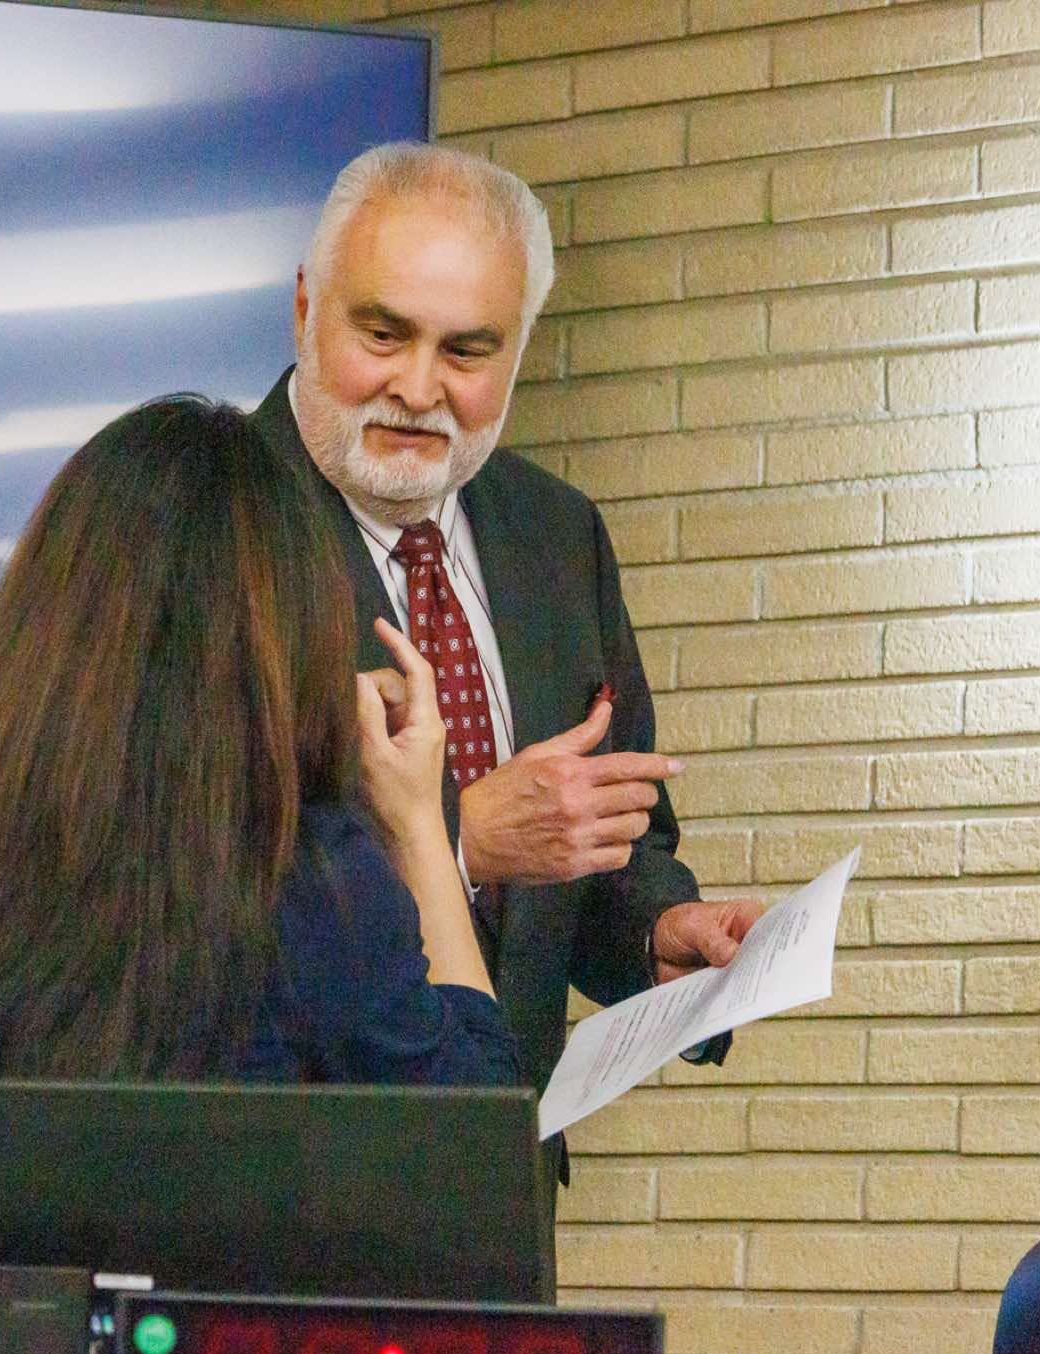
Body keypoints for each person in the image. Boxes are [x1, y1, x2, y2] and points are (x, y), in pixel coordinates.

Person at [0, 396, 521, 1089]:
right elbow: (479, 1146)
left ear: (37, 610)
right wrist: (417, 821)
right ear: (288, 644)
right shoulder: (316, 888)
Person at [248, 143, 771, 1111]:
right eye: (382, 334)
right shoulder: (200, 523)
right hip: (285, 1155)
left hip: (503, 1157)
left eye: (466, 352)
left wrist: (655, 933)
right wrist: (460, 837)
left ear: (518, 352)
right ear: (305, 308)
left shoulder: (558, 532)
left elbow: (604, 836)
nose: (417, 388)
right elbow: (155, 875)